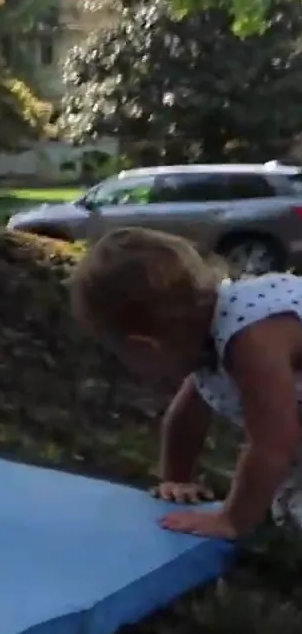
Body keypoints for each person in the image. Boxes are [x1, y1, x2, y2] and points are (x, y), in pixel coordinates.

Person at [69, 226, 302, 540]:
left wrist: (231, 520)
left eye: (119, 354)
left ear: (144, 345)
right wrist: (176, 480)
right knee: (285, 505)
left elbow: (272, 445)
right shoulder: (210, 342)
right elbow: (186, 418)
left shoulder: (250, 339)